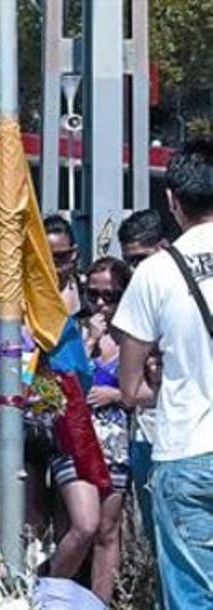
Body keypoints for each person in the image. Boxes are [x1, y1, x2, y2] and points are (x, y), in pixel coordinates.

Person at [113, 136, 213, 610]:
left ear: (172, 201)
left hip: (188, 451)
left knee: (196, 607)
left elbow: (129, 388)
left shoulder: (155, 272)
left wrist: (164, 378)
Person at [53, 257, 131, 603]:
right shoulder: (72, 329)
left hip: (116, 442)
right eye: (93, 294)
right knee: (84, 524)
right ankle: (44, 598)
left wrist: (116, 393)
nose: (101, 304)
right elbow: (59, 381)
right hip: (76, 437)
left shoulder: (135, 336)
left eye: (110, 296)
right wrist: (88, 343)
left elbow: (151, 388)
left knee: (106, 531)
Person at [116, 209, 166, 544]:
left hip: (184, 433)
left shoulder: (181, 291)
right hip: (145, 432)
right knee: (155, 538)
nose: (137, 269)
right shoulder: (134, 293)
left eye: (142, 258)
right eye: (130, 261)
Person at [44, 214, 82, 315]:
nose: (54, 264)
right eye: (47, 258)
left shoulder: (87, 291)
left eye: (61, 256)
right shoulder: (26, 294)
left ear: (74, 253)